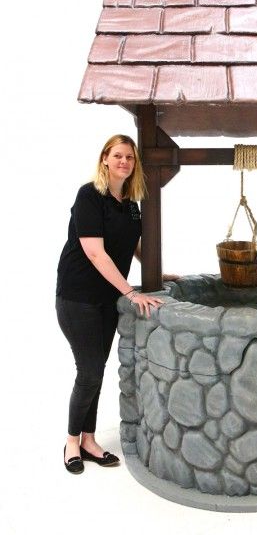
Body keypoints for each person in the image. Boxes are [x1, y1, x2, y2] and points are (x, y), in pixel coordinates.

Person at [56, 134, 177, 474]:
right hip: (77, 297)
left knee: (95, 370)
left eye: (130, 157)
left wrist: (159, 272)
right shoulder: (89, 196)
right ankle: (70, 441)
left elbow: (132, 247)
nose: (124, 161)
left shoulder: (130, 203)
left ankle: (89, 440)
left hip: (108, 298)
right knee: (90, 371)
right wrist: (131, 292)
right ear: (105, 159)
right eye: (118, 155)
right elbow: (95, 252)